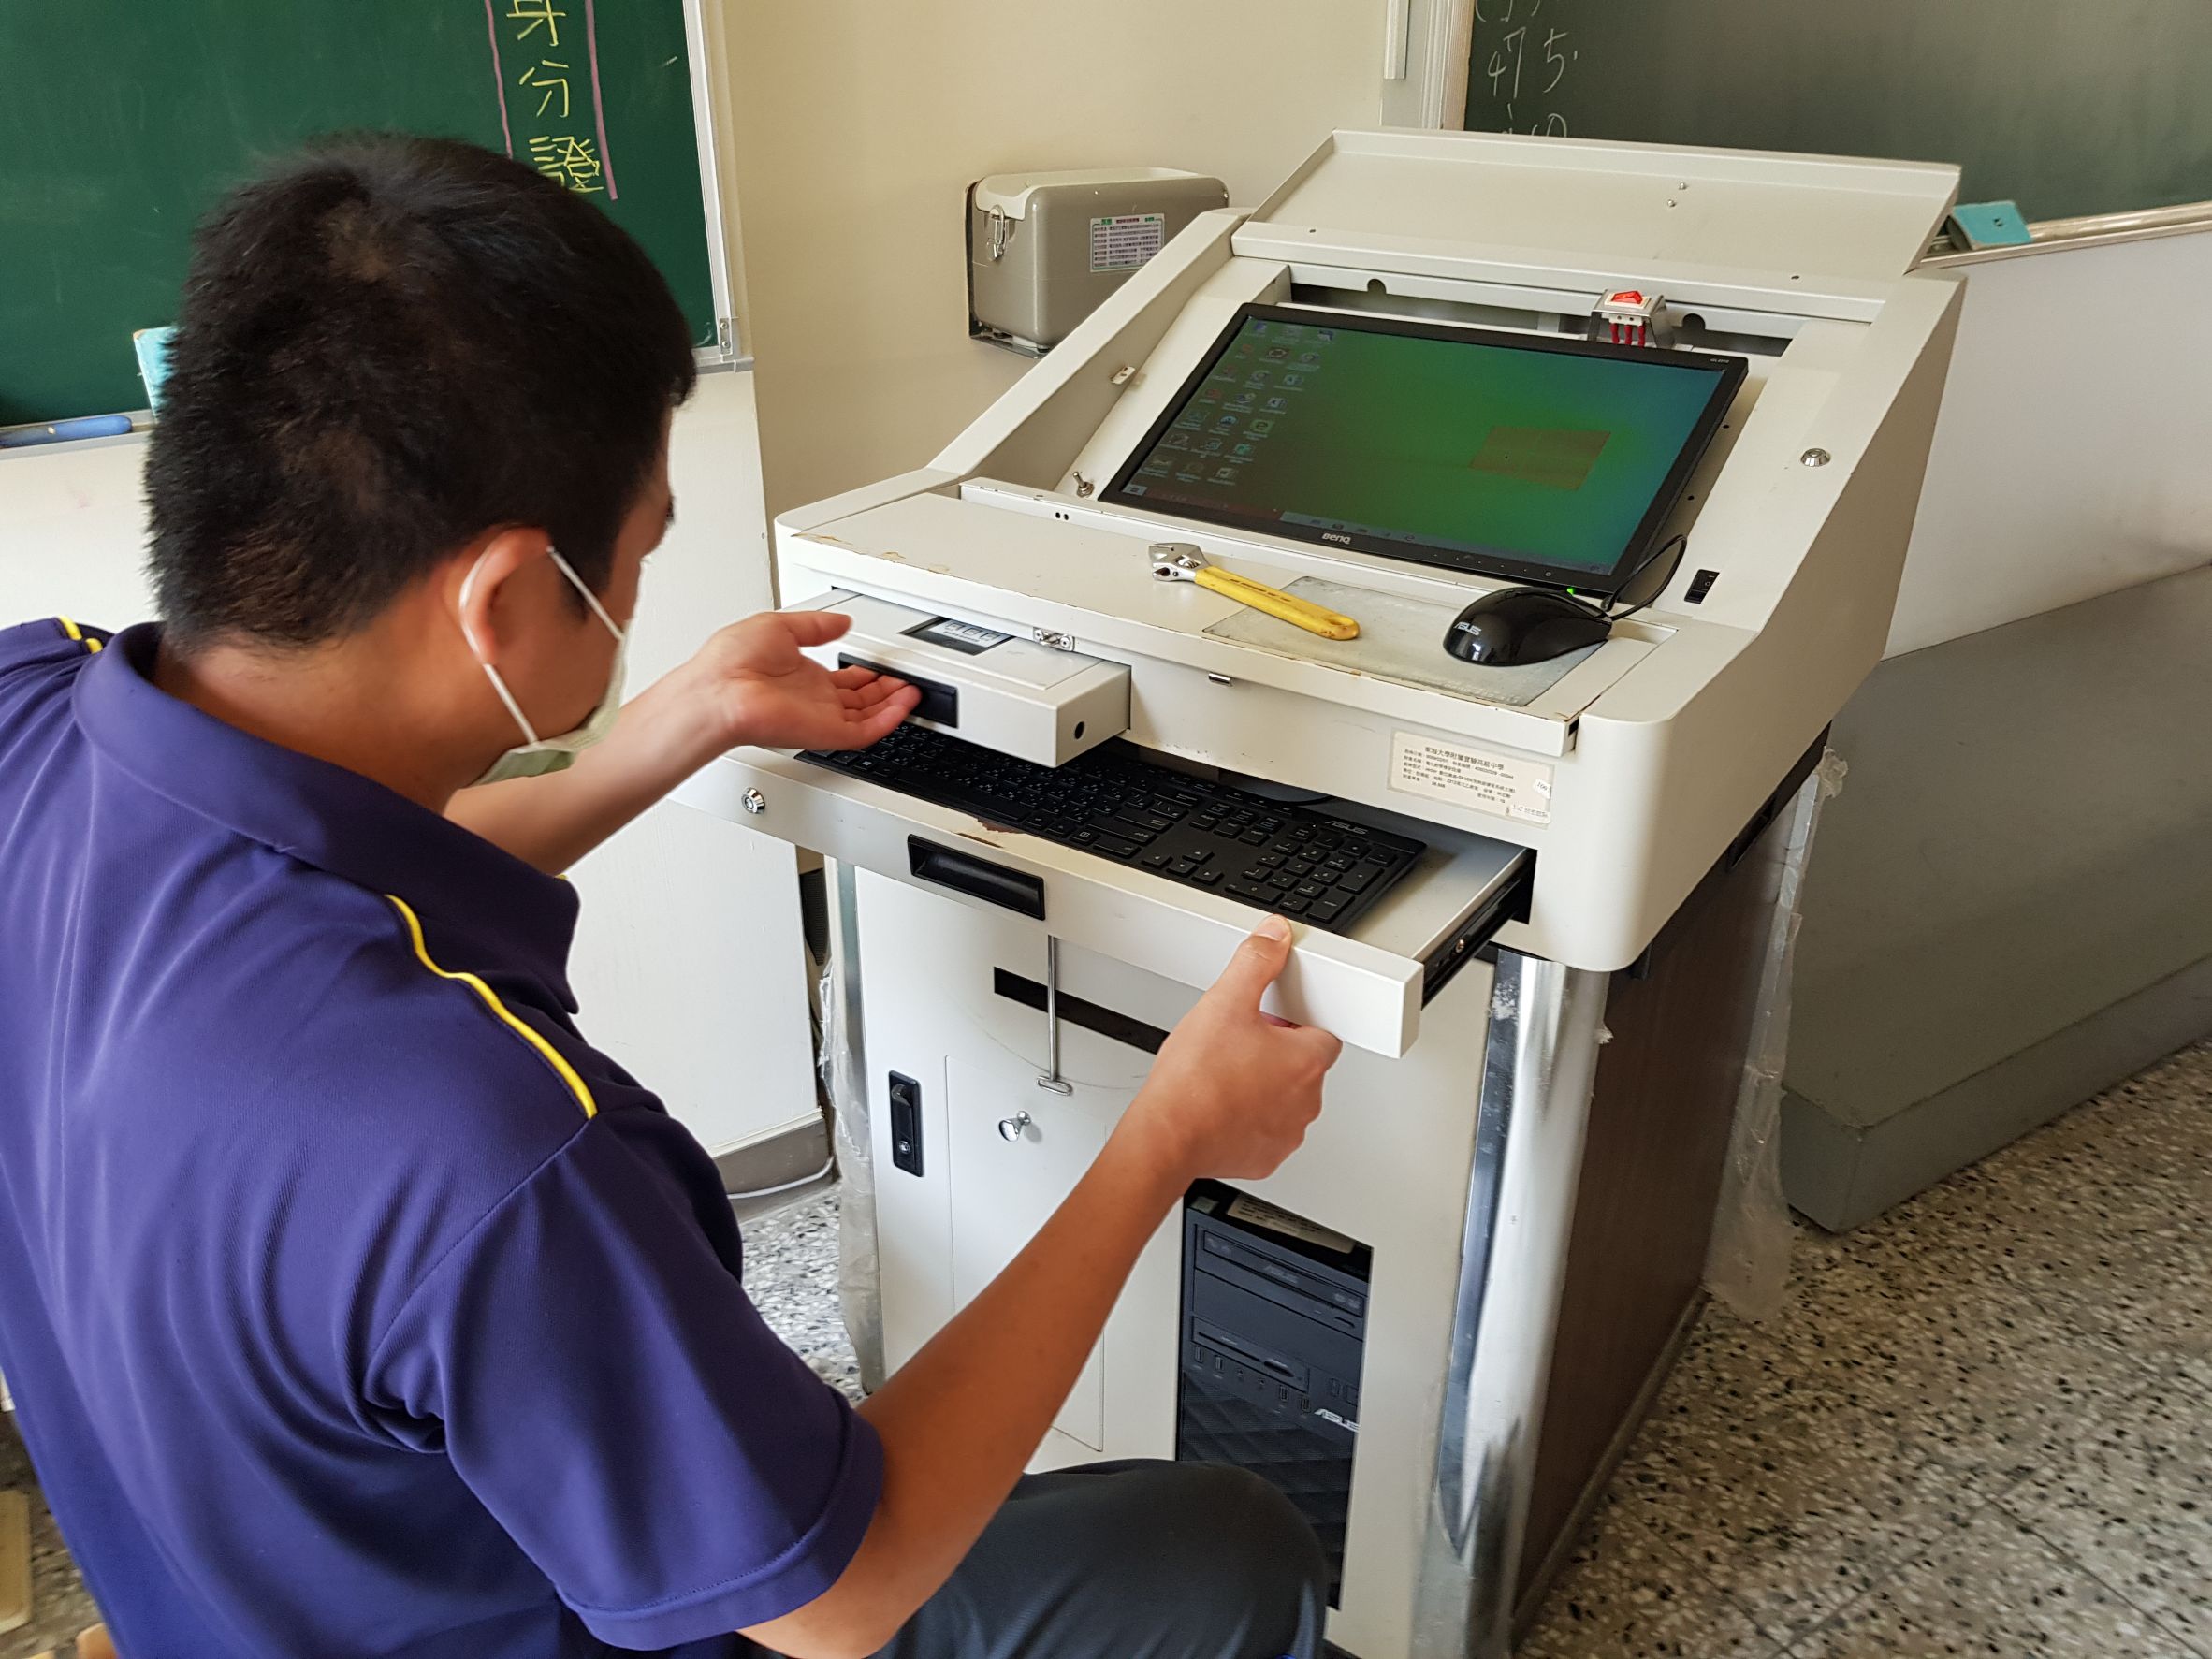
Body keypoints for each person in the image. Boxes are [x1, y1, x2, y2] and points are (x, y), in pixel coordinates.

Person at [0, 137, 1345, 1659]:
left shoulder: (32, 711)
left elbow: (318, 894)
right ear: (504, 598)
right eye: (636, 556)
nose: (636, 595)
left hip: (221, 1586)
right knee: (1226, 1550)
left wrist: (673, 724)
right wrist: (1164, 1139)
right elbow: (842, 1596)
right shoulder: (485, 1151)